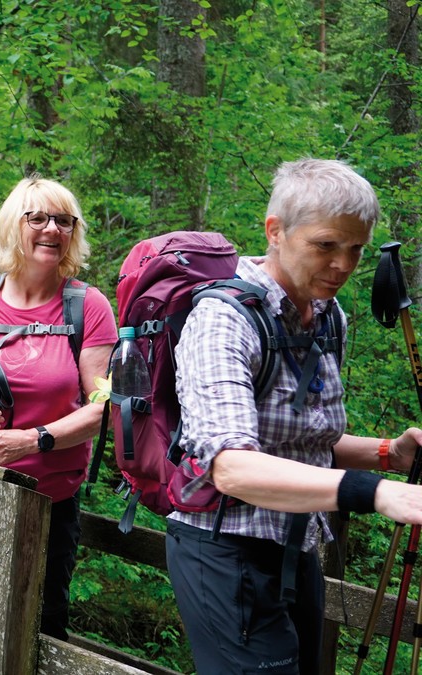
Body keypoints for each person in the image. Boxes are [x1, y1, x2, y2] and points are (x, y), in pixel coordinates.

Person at [167, 158, 422, 672]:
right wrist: (374, 492)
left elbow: (302, 440)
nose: (344, 265)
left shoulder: (329, 318)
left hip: (296, 544)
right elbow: (233, 467)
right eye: (326, 245)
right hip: (223, 549)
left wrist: (386, 455)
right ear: (276, 231)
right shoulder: (222, 320)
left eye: (356, 249)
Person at [0, 176, 116, 643]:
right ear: (14, 227)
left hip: (46, 495)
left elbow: (104, 406)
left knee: (41, 621)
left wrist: (33, 439)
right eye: (38, 218)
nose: (52, 229)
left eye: (63, 220)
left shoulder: (87, 307)